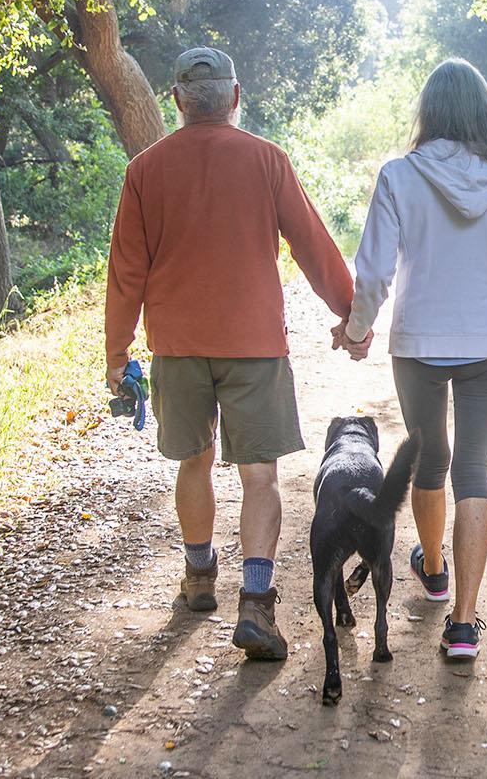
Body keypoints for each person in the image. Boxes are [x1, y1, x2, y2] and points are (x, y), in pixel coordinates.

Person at [105, 47, 355, 661]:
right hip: (254, 346)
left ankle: (197, 576)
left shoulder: (144, 170)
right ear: (236, 98)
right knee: (261, 475)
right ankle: (256, 603)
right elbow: (311, 245)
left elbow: (125, 273)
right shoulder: (268, 161)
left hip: (177, 346)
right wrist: (350, 312)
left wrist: (118, 353)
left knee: (193, 461)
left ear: (177, 101)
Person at [336, 58, 487, 660]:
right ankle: (463, 623)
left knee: (430, 460)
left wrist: (357, 329)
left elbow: (373, 271)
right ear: (484, 111)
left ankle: (434, 572)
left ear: (428, 112)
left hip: (419, 343)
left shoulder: (400, 175)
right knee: (473, 471)